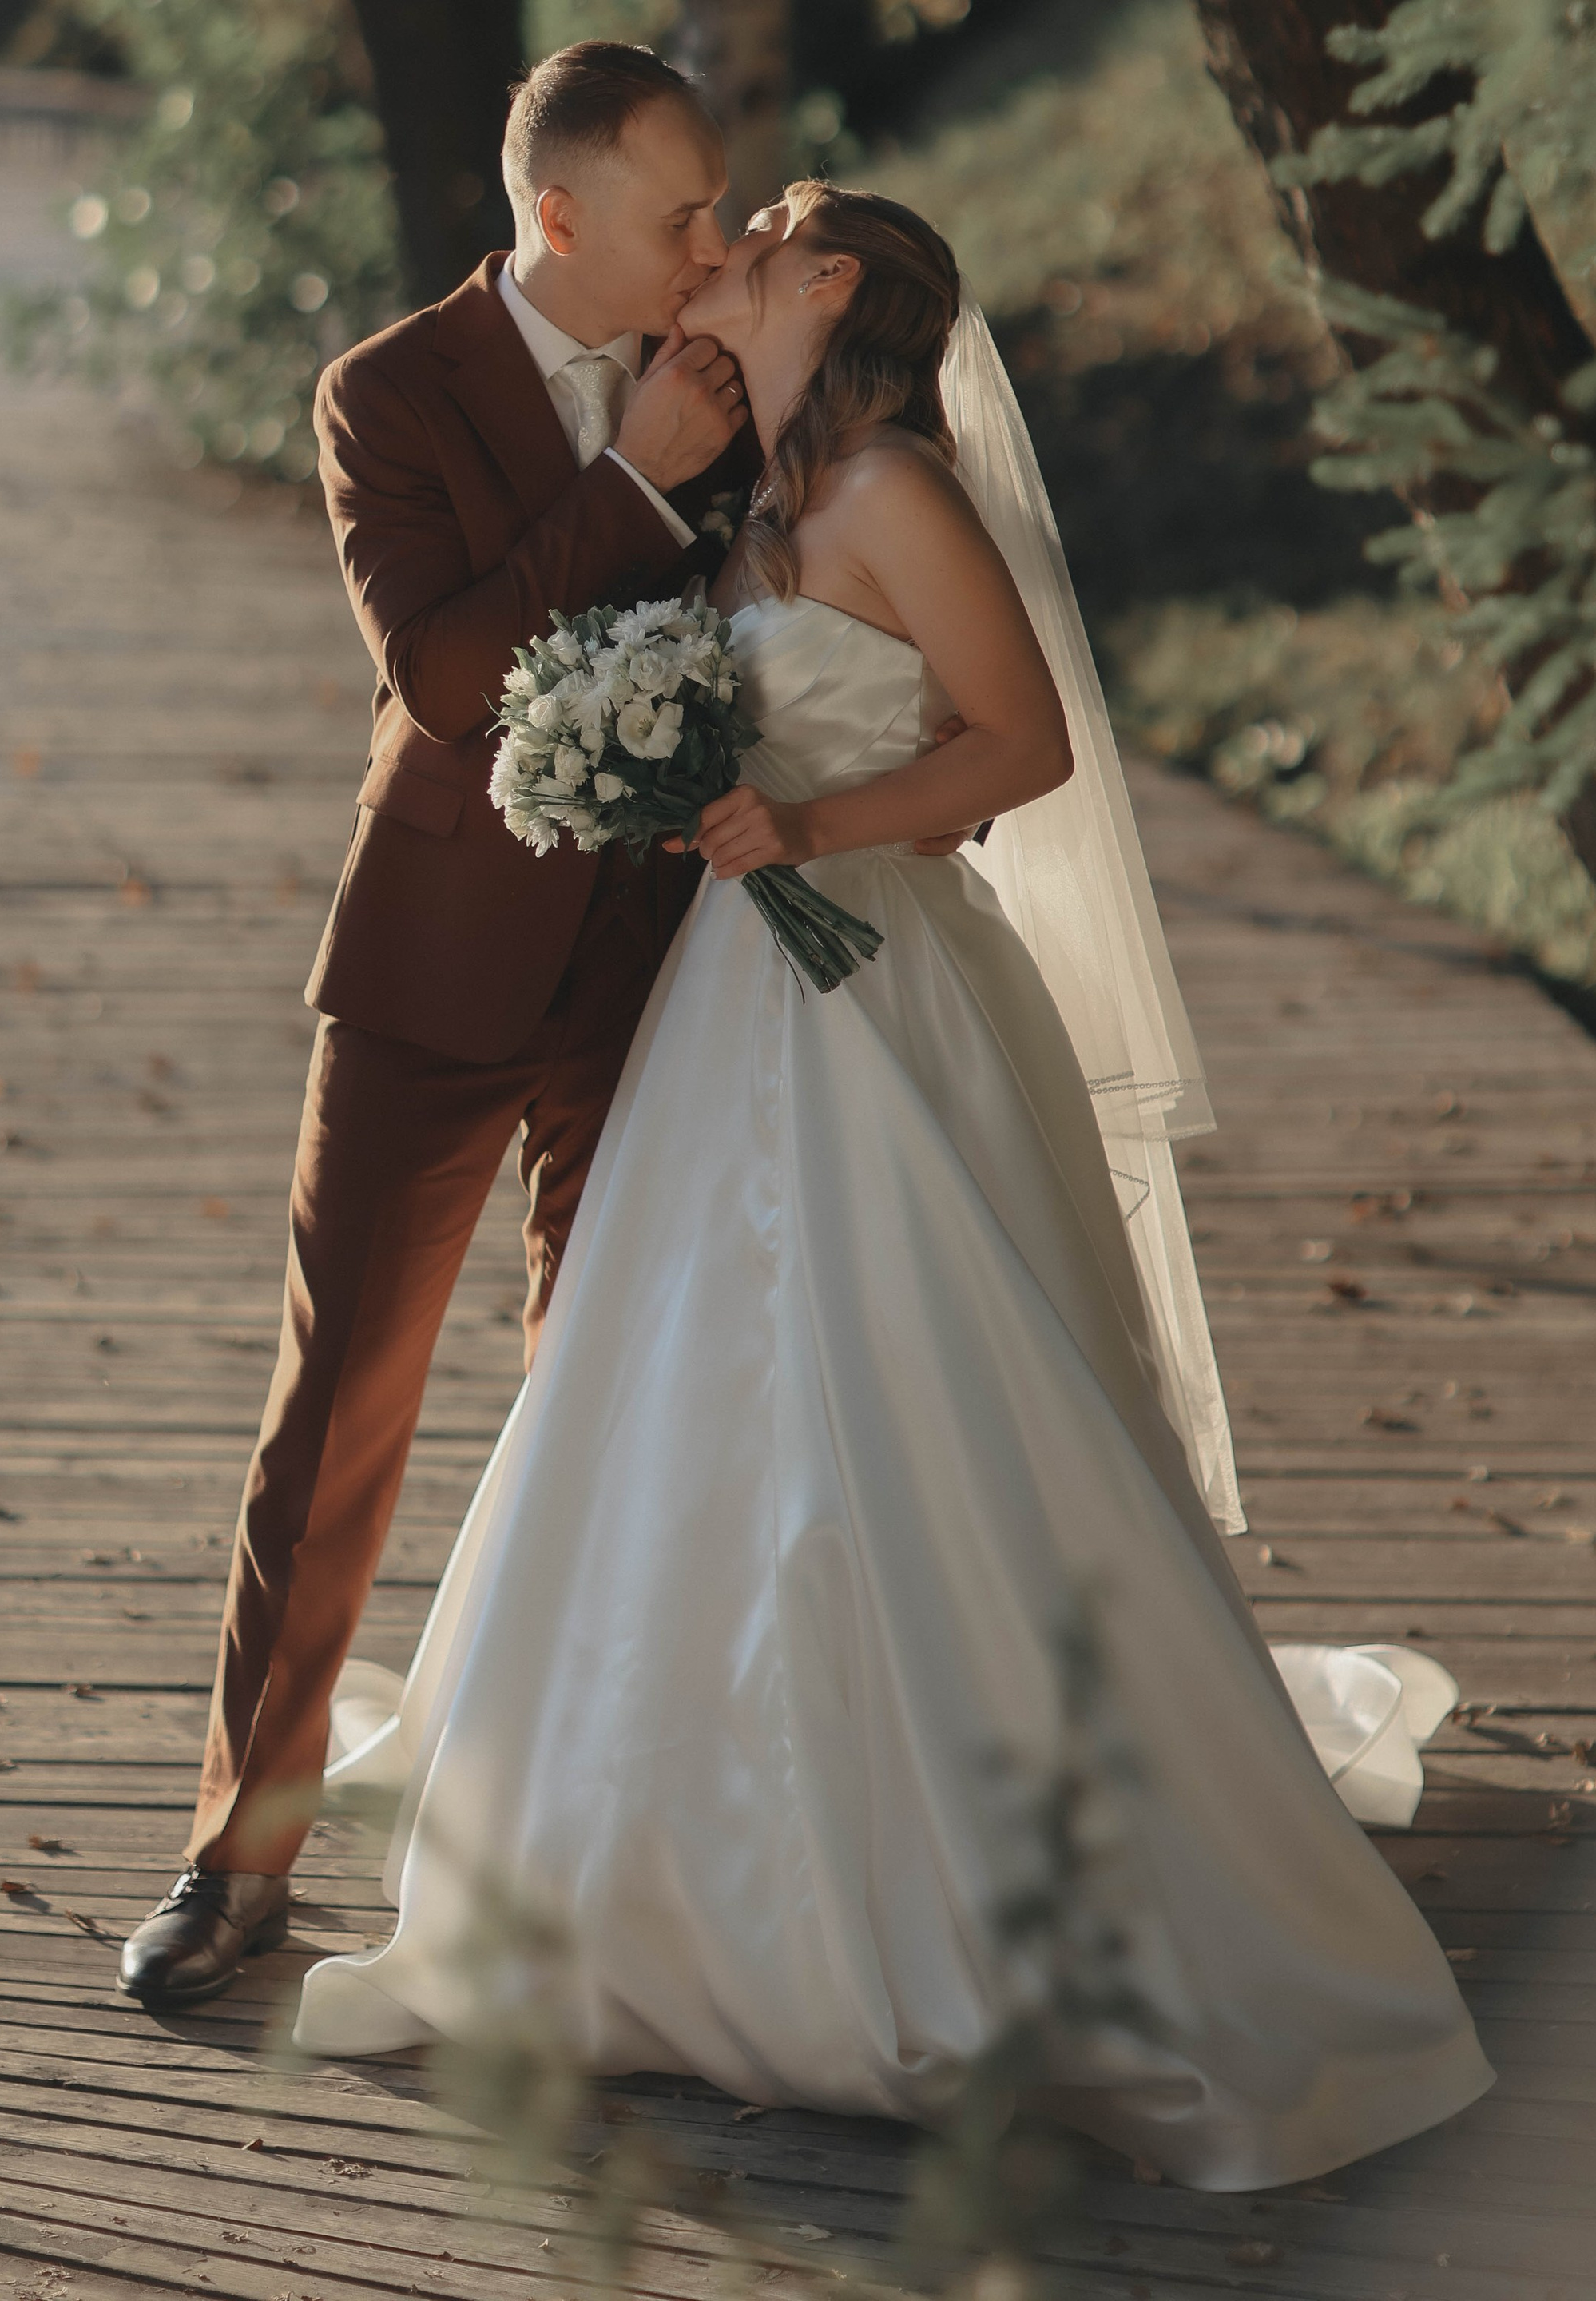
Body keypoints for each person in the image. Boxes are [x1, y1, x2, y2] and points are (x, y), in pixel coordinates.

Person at [285, 181, 1498, 2189]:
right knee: (678, 1398)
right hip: (736, 1001)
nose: (719, 254)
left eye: (752, 238)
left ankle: (936, 1887)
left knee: (913, 1389)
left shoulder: (898, 495)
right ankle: (663, 1869)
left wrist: (817, 818)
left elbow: (1017, 747)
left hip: (873, 988)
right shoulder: (765, 496)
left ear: (830, 282)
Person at [117, 42, 776, 2006]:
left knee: (614, 1401)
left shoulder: (735, 374)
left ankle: (593, 1848)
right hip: (434, 958)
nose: (712, 247)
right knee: (340, 1412)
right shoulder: (384, 395)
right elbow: (439, 673)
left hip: (664, 961)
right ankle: (238, 1859)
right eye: (678, 217)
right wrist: (631, 482)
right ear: (554, 216)